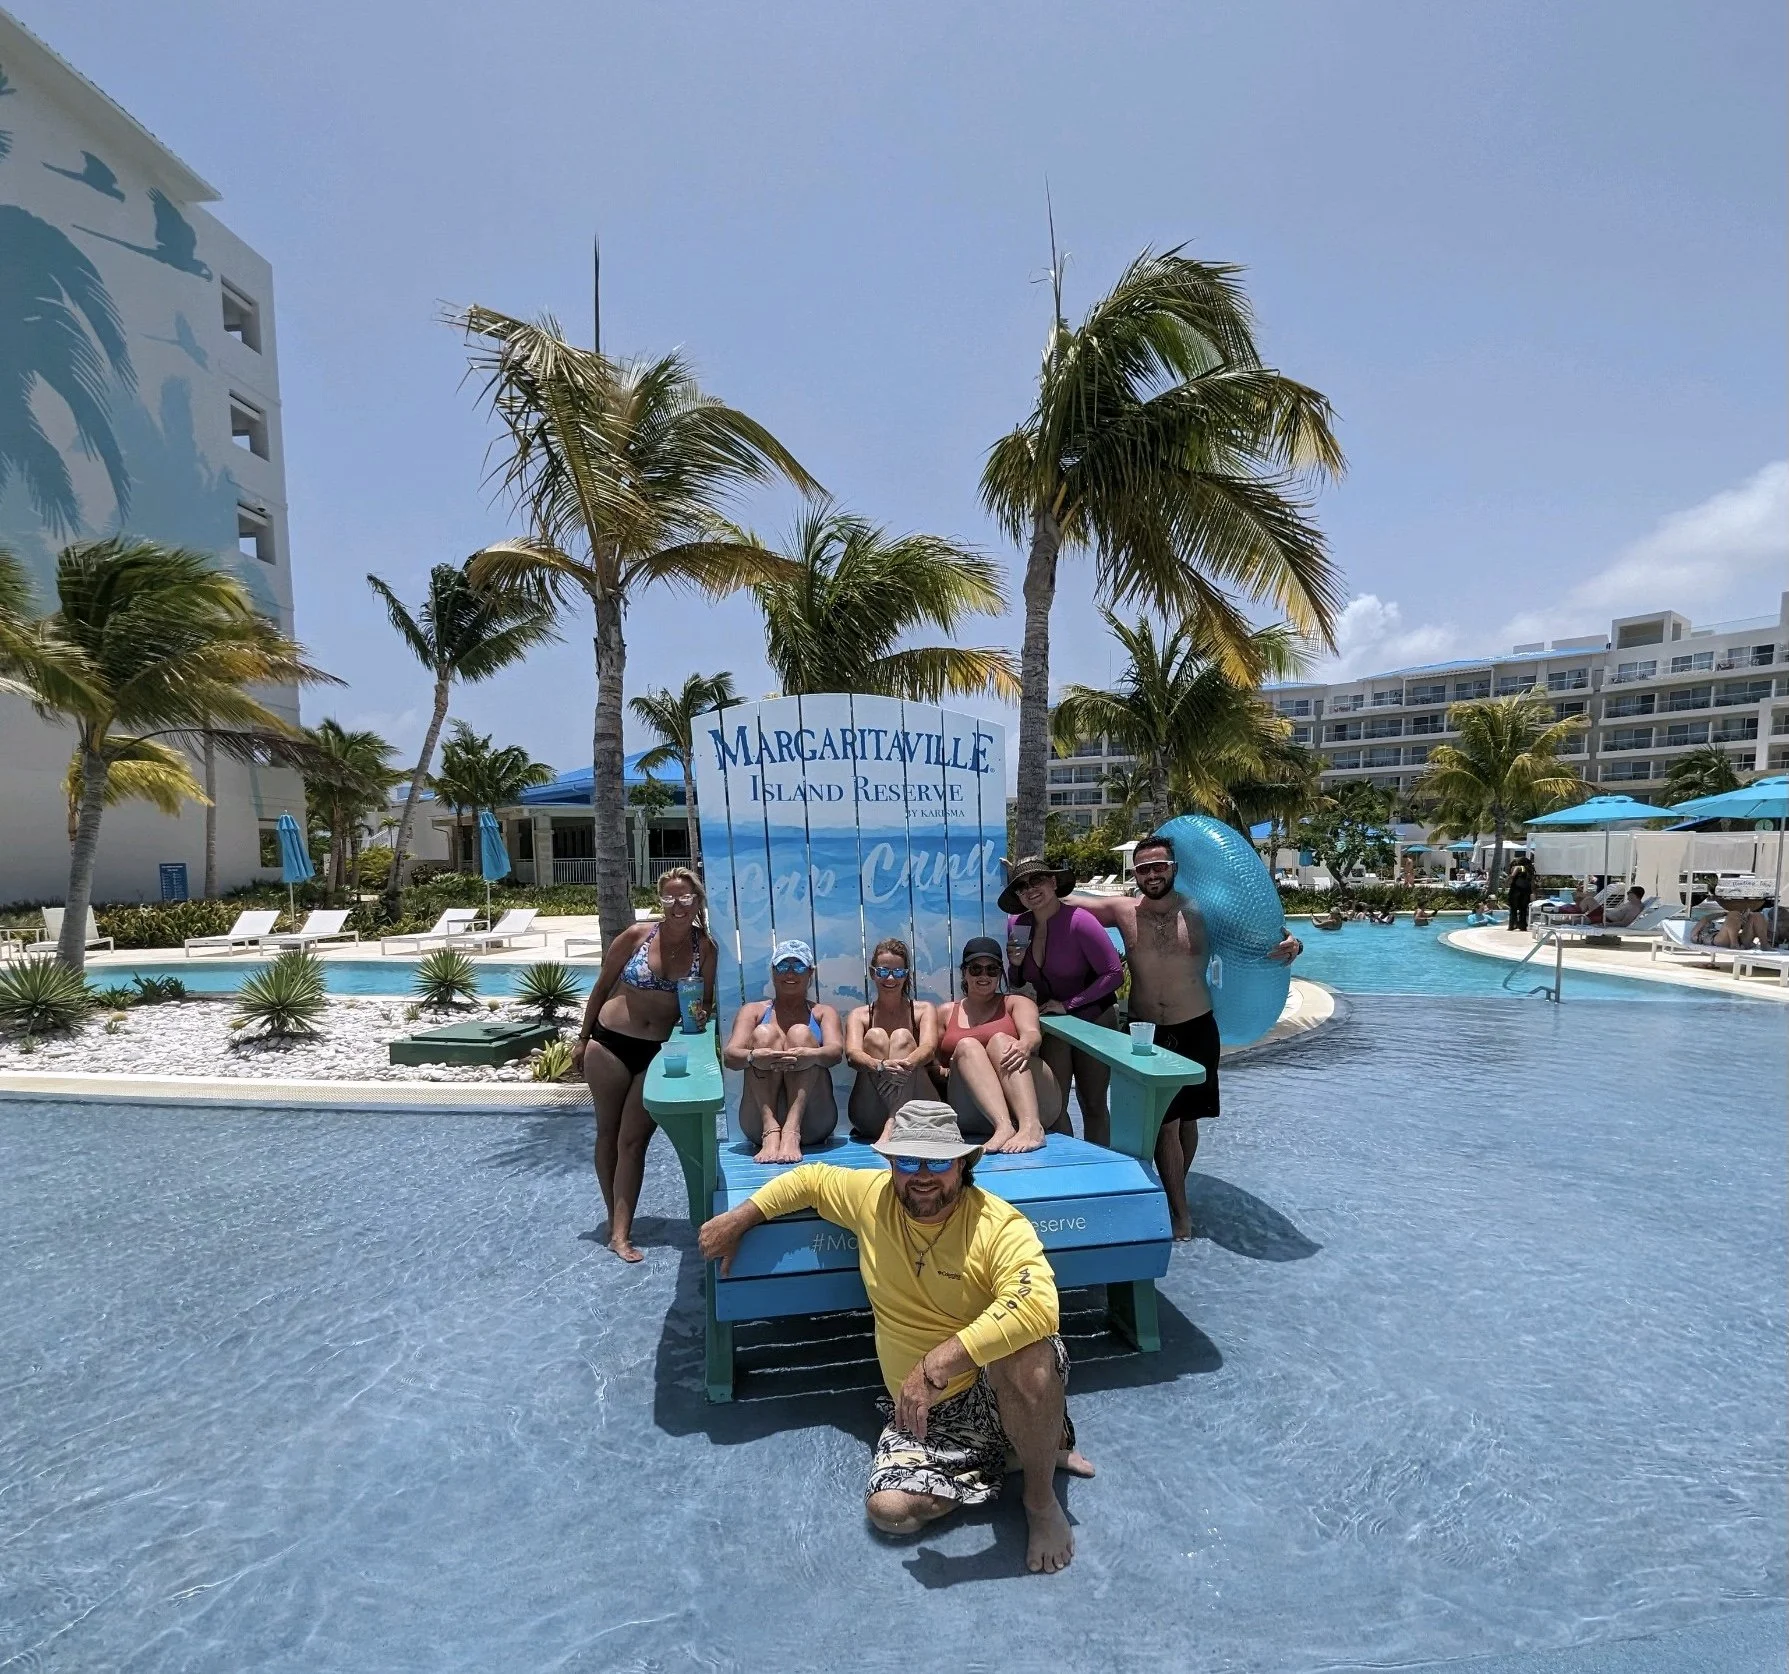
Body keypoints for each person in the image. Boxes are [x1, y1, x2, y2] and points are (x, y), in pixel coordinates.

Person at [697, 1099, 1094, 1574]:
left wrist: (936, 1366)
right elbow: (808, 1180)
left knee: (1029, 1353)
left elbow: (1038, 1305)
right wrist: (739, 1219)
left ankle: (1039, 1498)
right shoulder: (871, 1198)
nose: (922, 1175)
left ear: (963, 1164)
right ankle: (1021, 1449)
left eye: (938, 1162)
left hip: (986, 1384)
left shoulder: (997, 1224)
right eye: (907, 1161)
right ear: (889, 1163)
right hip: (921, 1412)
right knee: (891, 1514)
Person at [1071, 835, 1303, 1241]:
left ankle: (1173, 1191)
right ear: (1135, 873)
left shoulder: (1204, 912)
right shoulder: (1123, 911)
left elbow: (1263, 933)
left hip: (1195, 1026)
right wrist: (1016, 878)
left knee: (1186, 1121)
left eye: (1159, 866)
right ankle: (1179, 1212)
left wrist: (1295, 943)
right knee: (1165, 1124)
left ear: (1174, 868)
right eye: (1144, 868)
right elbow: (1065, 902)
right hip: (1146, 1031)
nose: (1152, 874)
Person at [573, 866, 718, 1263]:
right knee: (608, 1133)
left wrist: (700, 1014)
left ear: (697, 901)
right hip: (609, 1043)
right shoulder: (637, 936)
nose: (677, 904)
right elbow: (602, 986)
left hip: (658, 1052)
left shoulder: (705, 948)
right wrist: (582, 1038)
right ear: (661, 900)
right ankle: (616, 1225)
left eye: (685, 897)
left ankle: (620, 1229)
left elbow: (705, 1001)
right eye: (669, 897)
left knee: (633, 1140)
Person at [1001, 856, 1124, 1145]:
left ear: (1053, 882)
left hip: (1094, 1017)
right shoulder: (1018, 924)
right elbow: (1017, 982)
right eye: (1021, 886)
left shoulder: (1080, 921)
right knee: (1054, 1104)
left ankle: (1097, 1163)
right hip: (1055, 1023)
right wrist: (1015, 964)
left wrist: (1069, 1004)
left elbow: (1114, 974)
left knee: (1092, 1102)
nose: (1030, 889)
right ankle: (1065, 1161)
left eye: (1037, 880)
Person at [933, 937, 1060, 1153]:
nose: (984, 976)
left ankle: (1031, 1127)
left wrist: (1024, 1045)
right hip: (973, 1109)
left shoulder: (1016, 1003)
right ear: (964, 972)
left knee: (1000, 1041)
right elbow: (932, 1063)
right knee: (966, 1046)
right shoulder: (945, 1013)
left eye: (992, 970)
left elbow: (1031, 1033)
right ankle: (1003, 1126)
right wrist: (948, 1069)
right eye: (976, 969)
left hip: (1033, 1103)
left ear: (1000, 973)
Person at [722, 940, 844, 1163]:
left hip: (812, 1122)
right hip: (758, 1124)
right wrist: (753, 1057)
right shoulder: (754, 1012)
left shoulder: (822, 1013)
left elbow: (836, 1053)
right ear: (773, 971)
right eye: (783, 966)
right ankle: (771, 1130)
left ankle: (791, 1130)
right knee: (764, 1034)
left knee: (801, 1033)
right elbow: (730, 1056)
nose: (790, 973)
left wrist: (810, 1055)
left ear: (810, 973)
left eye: (798, 966)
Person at [844, 938, 940, 1142]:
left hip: (916, 1111)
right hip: (871, 1113)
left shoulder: (923, 1010)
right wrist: (880, 1067)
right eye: (883, 971)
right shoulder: (859, 1016)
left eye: (898, 972)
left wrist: (903, 1067)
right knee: (875, 1036)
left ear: (906, 975)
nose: (890, 978)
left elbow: (929, 1048)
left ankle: (893, 1120)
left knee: (902, 1037)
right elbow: (852, 1055)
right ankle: (892, 1120)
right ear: (872, 973)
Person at [1505, 854, 1536, 931]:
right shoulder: (1529, 870)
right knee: (1523, 909)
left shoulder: (1518, 867)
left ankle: (1512, 925)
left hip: (1516, 890)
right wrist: (1533, 893)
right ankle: (1522, 926)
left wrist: (1507, 882)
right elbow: (1532, 883)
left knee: (1513, 909)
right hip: (1526, 891)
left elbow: (1512, 876)